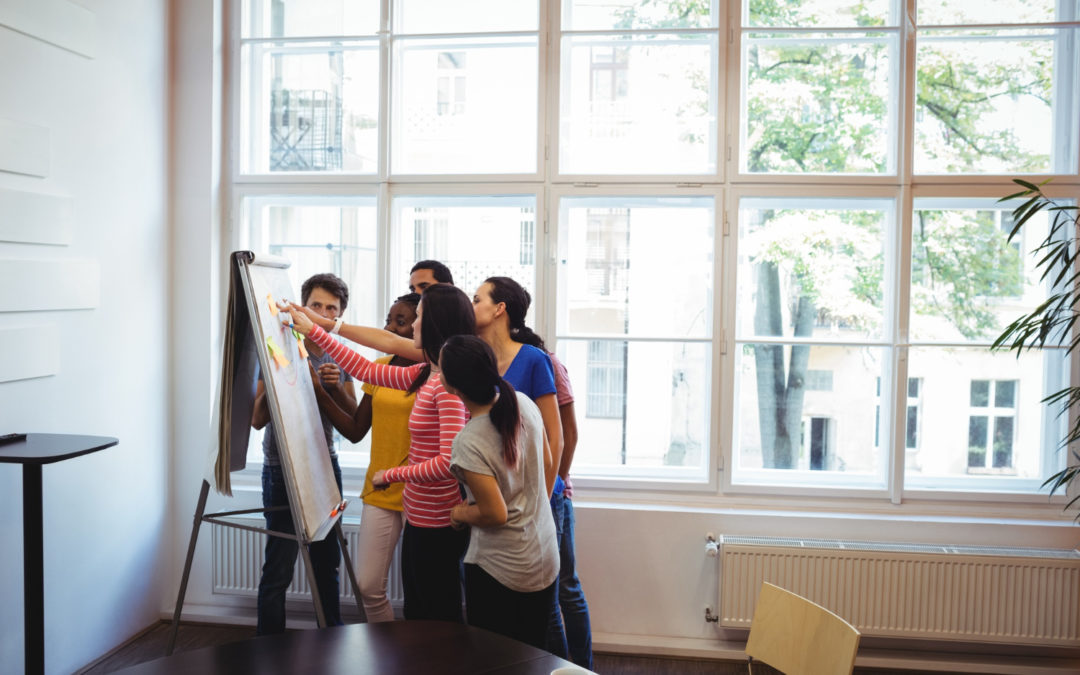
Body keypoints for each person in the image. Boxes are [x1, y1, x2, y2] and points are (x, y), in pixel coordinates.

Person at [282, 284, 474, 622]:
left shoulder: (447, 386)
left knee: (436, 615)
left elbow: (449, 463)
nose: (413, 325)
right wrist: (314, 330)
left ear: (433, 324)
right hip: (419, 516)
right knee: (418, 609)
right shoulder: (424, 373)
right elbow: (366, 370)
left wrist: (391, 474)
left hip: (437, 522)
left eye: (419, 319)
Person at [251, 273, 357, 635]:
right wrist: (281, 374)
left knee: (327, 565)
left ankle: (333, 644)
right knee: (278, 567)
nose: (322, 313)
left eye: (332, 308)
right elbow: (255, 419)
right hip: (282, 469)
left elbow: (355, 421)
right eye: (316, 305)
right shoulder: (274, 343)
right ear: (301, 305)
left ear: (340, 313)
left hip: (325, 465)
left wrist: (334, 388)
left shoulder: (339, 353)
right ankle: (268, 649)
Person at [442, 335, 558, 650]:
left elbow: (494, 513)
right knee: (533, 654)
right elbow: (547, 462)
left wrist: (459, 513)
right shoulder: (524, 403)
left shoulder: (468, 441)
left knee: (495, 659)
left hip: (502, 569)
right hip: (544, 554)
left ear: (453, 386)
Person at [313, 292, 421, 623]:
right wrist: (321, 393)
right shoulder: (380, 368)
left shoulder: (434, 373)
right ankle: (387, 658)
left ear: (420, 327)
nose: (390, 328)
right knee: (368, 586)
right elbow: (357, 429)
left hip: (421, 494)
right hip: (380, 489)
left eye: (400, 322)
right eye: (388, 320)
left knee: (421, 593)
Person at [471, 276, 562, 496]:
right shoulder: (472, 360)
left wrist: (542, 503)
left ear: (499, 309)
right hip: (491, 492)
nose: (470, 306)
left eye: (476, 300)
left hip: (531, 493)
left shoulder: (534, 359)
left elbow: (555, 437)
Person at [545, 352, 594, 669]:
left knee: (564, 586)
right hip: (526, 497)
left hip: (554, 496)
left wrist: (557, 486)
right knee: (548, 594)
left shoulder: (547, 362)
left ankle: (582, 668)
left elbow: (569, 433)